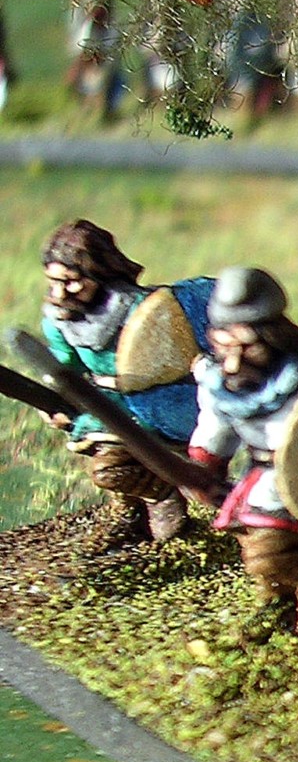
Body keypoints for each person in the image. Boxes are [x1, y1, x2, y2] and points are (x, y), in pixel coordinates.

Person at [186, 267, 298, 639]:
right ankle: (277, 603)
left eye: (247, 347)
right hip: (256, 477)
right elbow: (216, 426)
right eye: (224, 346)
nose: (233, 362)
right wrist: (205, 464)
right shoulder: (220, 382)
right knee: (250, 541)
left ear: (273, 339)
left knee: (266, 554)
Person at [39, 219, 201, 545]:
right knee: (103, 447)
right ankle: (129, 515)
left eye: (71, 282)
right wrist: (56, 400)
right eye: (54, 281)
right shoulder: (59, 318)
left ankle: (162, 493)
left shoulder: (143, 309)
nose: (60, 293)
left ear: (99, 273)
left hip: (160, 400)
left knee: (109, 469)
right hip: (106, 400)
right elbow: (66, 368)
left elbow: (173, 357)